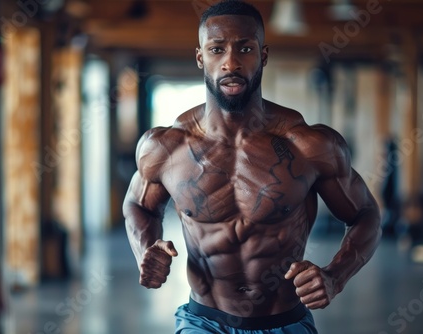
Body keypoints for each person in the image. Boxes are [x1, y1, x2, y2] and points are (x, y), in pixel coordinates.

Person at [123, 1, 382, 333]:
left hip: (284, 321)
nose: (231, 62)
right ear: (201, 56)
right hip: (204, 320)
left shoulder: (309, 146)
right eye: (217, 49)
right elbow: (137, 205)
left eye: (244, 48)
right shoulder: (165, 147)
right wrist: (147, 250)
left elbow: (365, 214)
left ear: (263, 55)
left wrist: (335, 276)